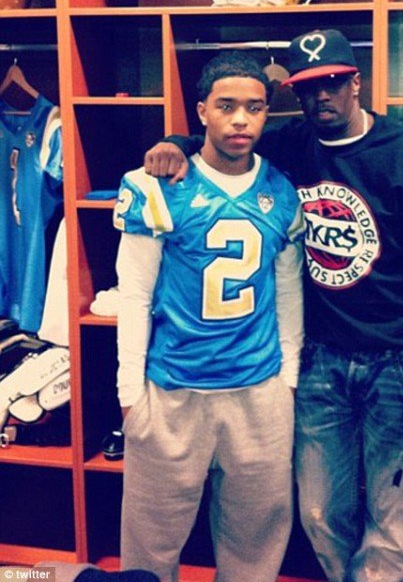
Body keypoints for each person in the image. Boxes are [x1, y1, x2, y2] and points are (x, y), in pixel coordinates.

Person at [144, 29, 403, 582]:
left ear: (356, 83)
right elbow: (224, 139)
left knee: (393, 523)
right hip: (321, 362)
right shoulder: (291, 145)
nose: (321, 96)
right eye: (307, 88)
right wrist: (175, 144)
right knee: (320, 514)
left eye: (332, 83)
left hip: (400, 364)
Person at [113, 52, 304, 582]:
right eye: (226, 106)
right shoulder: (156, 186)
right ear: (201, 111)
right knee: (150, 543)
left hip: (259, 391)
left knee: (255, 544)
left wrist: (287, 377)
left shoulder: (281, 190)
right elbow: (134, 294)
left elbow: (288, 292)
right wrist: (130, 394)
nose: (241, 120)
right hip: (174, 390)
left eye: (254, 108)